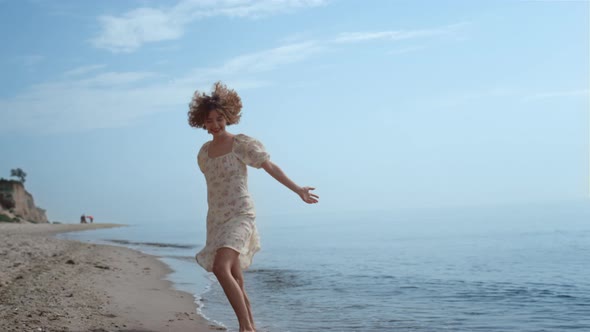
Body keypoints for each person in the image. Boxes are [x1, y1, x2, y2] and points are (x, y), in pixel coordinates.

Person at [188, 82, 319, 332]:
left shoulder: (241, 144)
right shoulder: (204, 153)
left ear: (228, 116)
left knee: (220, 268)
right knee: (236, 277)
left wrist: (298, 189)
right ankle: (250, 326)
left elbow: (270, 167)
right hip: (216, 218)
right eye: (210, 120)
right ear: (202, 123)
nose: (215, 124)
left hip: (240, 214)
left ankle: (245, 328)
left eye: (219, 118)